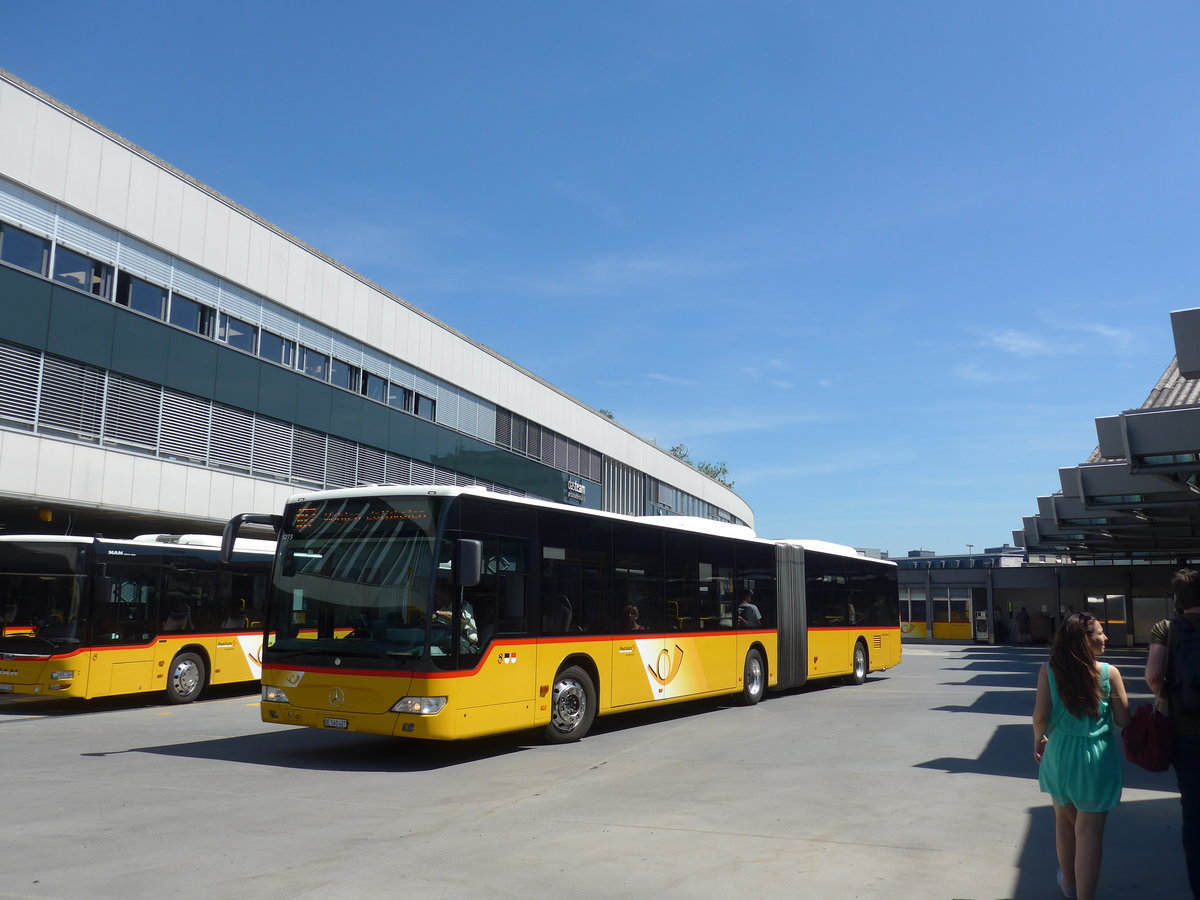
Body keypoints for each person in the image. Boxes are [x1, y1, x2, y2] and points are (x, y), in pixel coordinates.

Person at [1033, 612, 1130, 900]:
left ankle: (1069, 883)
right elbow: (1124, 719)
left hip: (1059, 753)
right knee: (1089, 833)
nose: (1105, 637)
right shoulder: (1109, 673)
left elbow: (1040, 716)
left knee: (1064, 822)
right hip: (1095, 757)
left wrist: (1038, 740)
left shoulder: (1049, 671)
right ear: (1084, 640)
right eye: (1099, 633)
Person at [1146, 568, 1200, 899]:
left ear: (1178, 598)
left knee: (1194, 815)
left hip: (1187, 734)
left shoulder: (1166, 628)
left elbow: (1153, 675)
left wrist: (1168, 695)